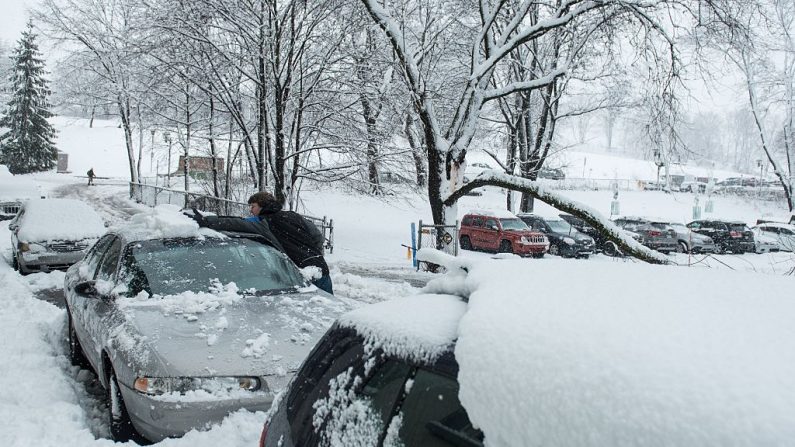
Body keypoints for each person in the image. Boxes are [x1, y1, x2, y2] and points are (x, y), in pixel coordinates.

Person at [246, 191, 333, 294]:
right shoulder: (294, 216)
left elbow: (238, 223)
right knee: (327, 306)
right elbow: (318, 236)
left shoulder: (262, 221)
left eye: (253, 206)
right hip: (320, 269)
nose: (251, 210)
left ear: (262, 206)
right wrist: (313, 254)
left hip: (299, 275)